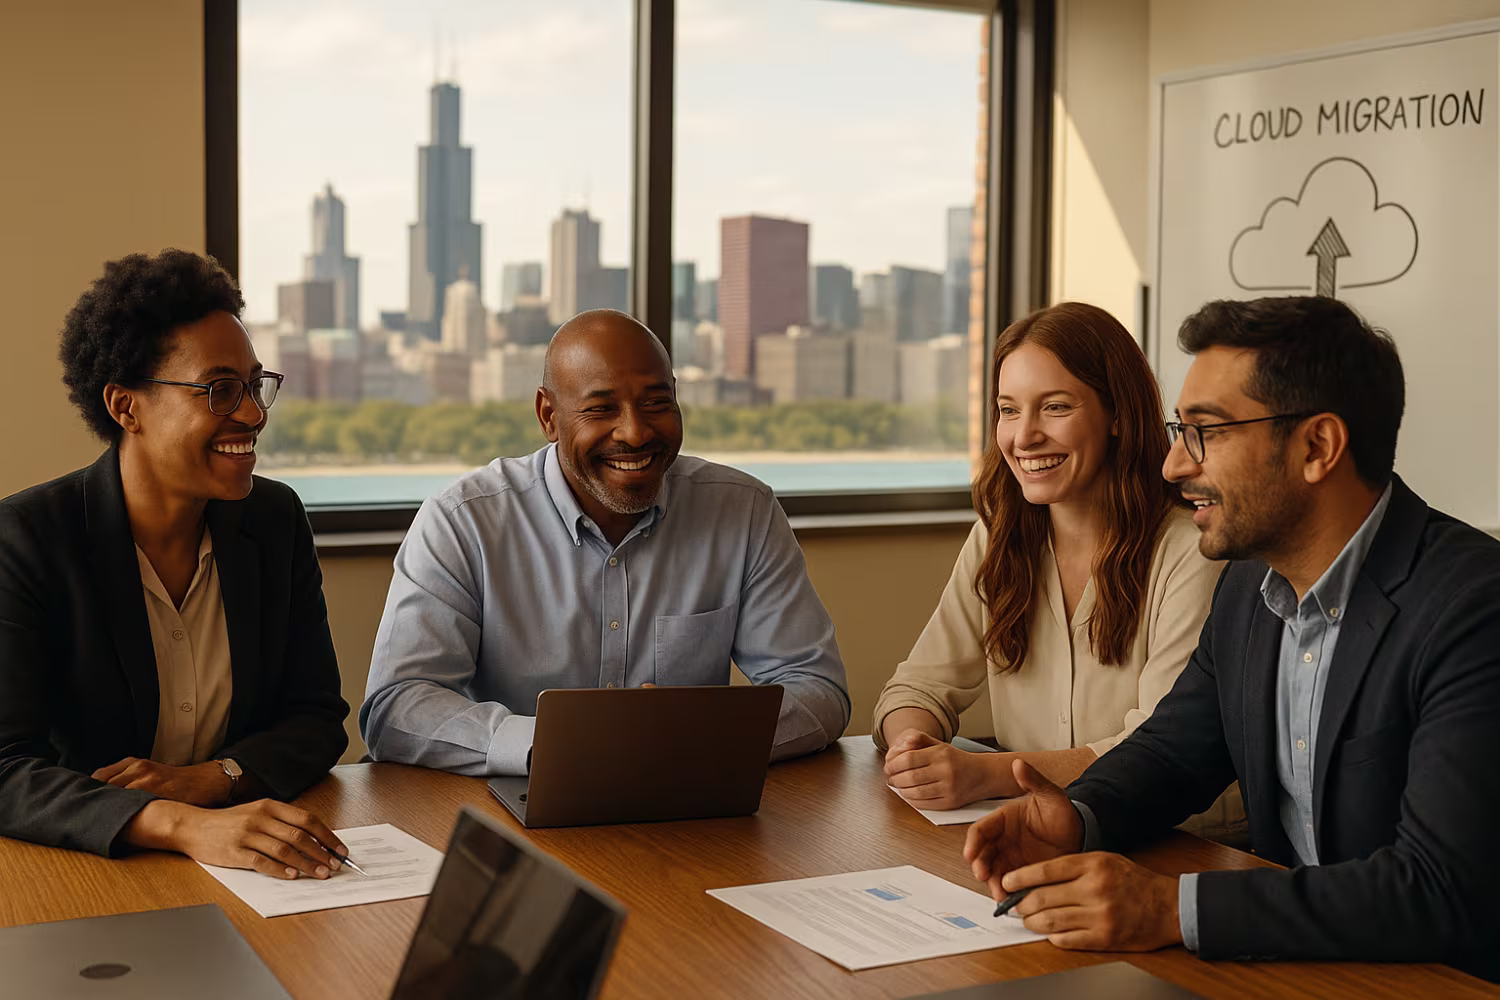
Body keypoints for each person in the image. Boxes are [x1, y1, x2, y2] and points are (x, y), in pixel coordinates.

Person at [963, 296, 1500, 981]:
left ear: (1317, 447)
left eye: (1205, 433)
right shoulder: (1250, 588)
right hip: (1299, 968)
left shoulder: (1473, 609)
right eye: (1177, 430)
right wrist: (1076, 816)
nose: (1173, 466)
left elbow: (1438, 887)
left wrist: (1171, 907)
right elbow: (1175, 753)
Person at [361, 309, 850, 773]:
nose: (635, 432)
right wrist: (556, 747)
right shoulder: (464, 521)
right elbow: (398, 706)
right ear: (548, 415)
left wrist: (705, 735)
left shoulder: (744, 511)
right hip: (514, 801)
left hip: (688, 809)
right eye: (600, 409)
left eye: (656, 403)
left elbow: (817, 687)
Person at [0, 250, 351, 880]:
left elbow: (317, 717)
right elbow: (5, 767)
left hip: (246, 863)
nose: (252, 413)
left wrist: (216, 780)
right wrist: (177, 821)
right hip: (86, 870)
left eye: (254, 383)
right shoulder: (26, 539)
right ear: (125, 407)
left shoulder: (274, 520)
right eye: (219, 389)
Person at [874, 302, 1237, 837]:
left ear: (1119, 414)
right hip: (1047, 836)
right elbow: (919, 687)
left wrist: (986, 773)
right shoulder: (999, 537)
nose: (1024, 437)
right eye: (1009, 409)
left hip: (1184, 844)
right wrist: (913, 747)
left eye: (1056, 407)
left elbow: (1156, 749)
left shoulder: (1191, 550)